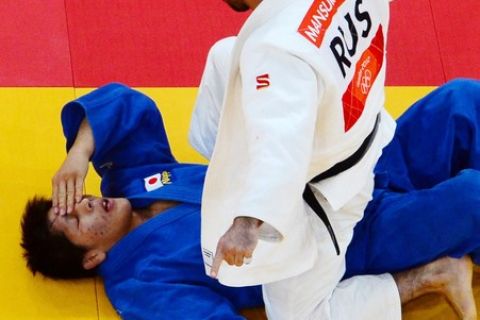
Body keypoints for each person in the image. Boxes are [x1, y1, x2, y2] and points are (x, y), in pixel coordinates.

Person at [22, 80, 480, 319]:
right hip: (349, 237)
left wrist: (80, 154)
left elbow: (127, 106)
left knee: (461, 101)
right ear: (92, 258)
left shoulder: (131, 182)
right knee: (471, 197)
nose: (88, 203)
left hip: (341, 168)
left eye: (77, 198)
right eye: (79, 220)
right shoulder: (141, 286)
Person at [191, 0, 477, 318]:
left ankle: (429, 276)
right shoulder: (267, 53)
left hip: (333, 197)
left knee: (297, 315)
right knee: (461, 100)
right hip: (367, 133)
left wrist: (247, 221)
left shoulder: (276, 50)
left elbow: (282, 152)